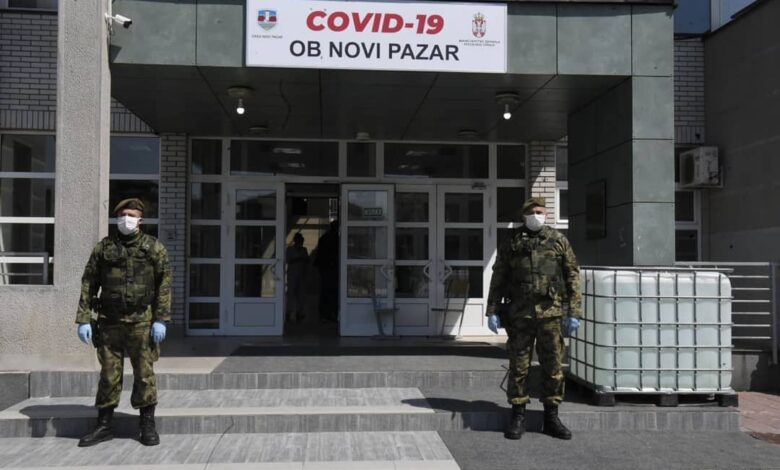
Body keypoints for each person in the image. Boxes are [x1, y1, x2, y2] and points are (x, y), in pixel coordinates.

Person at [74, 198, 172, 447]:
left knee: (144, 375)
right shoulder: (104, 248)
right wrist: (84, 318)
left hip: (142, 322)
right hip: (110, 322)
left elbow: (164, 284)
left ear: (140, 220)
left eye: (131, 215)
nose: (125, 219)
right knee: (109, 375)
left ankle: (147, 425)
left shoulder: (154, 248)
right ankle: (104, 425)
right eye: (122, 215)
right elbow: (89, 282)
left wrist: (161, 319)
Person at [486, 196, 582, 441]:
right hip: (520, 314)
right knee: (519, 366)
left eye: (539, 211)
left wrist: (574, 312)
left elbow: (572, 275)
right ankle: (518, 415)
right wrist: (492, 309)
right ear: (523, 215)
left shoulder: (558, 240)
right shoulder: (512, 241)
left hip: (551, 313)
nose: (535, 215)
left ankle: (551, 417)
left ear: (546, 214)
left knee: (553, 366)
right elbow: (499, 275)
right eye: (531, 212)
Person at [314, 220, 339, 322]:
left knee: (326, 290)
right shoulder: (333, 238)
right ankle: (330, 313)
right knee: (330, 291)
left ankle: (325, 314)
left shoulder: (325, 237)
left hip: (325, 267)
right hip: (330, 268)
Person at [285, 232, 309, 322]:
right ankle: (289, 311)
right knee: (291, 292)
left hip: (302, 273)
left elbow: (307, 260)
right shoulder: (290, 249)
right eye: (299, 241)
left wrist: (304, 260)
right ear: (295, 241)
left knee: (301, 293)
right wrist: (298, 259)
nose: (300, 243)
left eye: (301, 241)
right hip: (292, 273)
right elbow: (288, 260)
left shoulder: (304, 250)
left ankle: (300, 311)